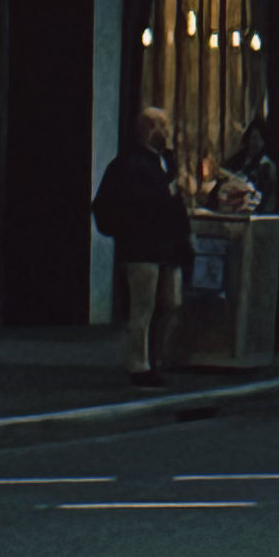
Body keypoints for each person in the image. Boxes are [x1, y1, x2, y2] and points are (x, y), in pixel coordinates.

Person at [92, 102, 197, 384]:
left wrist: (184, 232)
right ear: (150, 129)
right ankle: (140, 364)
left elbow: (174, 205)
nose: (168, 130)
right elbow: (128, 205)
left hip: (167, 245)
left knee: (171, 302)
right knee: (143, 306)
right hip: (142, 246)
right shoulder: (129, 165)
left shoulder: (165, 162)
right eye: (162, 125)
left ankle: (157, 357)